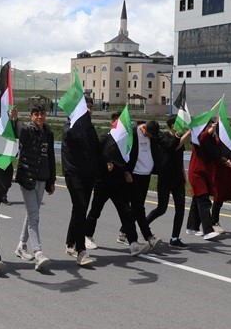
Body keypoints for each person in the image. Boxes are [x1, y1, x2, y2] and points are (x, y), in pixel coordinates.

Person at [83, 112, 151, 256]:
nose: (121, 125)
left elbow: (125, 159)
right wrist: (105, 163)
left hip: (118, 182)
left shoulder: (125, 141)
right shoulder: (104, 138)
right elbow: (95, 156)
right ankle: (87, 236)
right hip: (103, 182)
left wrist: (125, 171)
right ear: (112, 122)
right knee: (96, 210)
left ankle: (133, 243)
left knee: (126, 211)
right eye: (118, 121)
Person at [14, 105, 56, 271]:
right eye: (36, 114)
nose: (40, 117)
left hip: (42, 178)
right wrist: (15, 120)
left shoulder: (49, 133)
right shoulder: (28, 131)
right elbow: (18, 134)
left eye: (42, 113)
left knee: (32, 212)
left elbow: (51, 157)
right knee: (34, 216)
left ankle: (21, 245)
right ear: (31, 116)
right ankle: (38, 253)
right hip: (27, 178)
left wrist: (51, 180)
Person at [61, 97, 99, 267]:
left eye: (91, 107)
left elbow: (96, 150)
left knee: (79, 209)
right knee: (81, 207)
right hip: (73, 174)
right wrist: (79, 122)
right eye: (86, 107)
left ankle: (70, 244)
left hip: (88, 175)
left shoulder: (90, 128)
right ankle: (81, 251)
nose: (89, 110)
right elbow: (69, 136)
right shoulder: (70, 125)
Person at [147, 115, 191, 247]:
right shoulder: (163, 137)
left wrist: (184, 175)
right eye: (179, 123)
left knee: (180, 208)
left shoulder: (179, 140)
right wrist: (187, 133)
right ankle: (143, 225)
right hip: (165, 177)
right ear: (172, 125)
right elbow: (173, 147)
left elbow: (180, 156)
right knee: (161, 208)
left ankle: (175, 238)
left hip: (177, 178)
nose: (182, 125)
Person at [122, 120, 163, 250]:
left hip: (146, 174)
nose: (149, 137)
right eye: (148, 134)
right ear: (143, 127)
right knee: (138, 207)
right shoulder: (132, 132)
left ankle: (123, 232)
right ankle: (149, 237)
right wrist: (125, 171)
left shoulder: (153, 135)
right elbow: (123, 152)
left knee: (137, 207)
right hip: (133, 175)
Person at [186, 119, 224, 240]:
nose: (211, 129)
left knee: (196, 200)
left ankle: (192, 227)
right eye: (209, 126)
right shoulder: (198, 139)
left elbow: (218, 153)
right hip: (197, 174)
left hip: (206, 174)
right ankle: (208, 230)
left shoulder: (211, 140)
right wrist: (209, 131)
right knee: (204, 201)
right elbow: (201, 138)